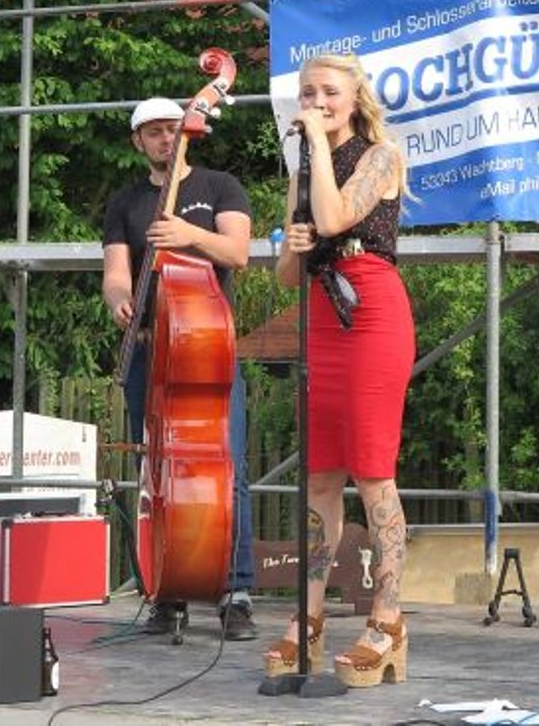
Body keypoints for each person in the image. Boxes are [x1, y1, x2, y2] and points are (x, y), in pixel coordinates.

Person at [267, 54, 415, 688]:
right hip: (322, 313)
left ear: (354, 99)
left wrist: (318, 152)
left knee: (373, 471)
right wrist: (290, 252)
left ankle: (388, 621)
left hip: (373, 310)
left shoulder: (381, 156)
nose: (315, 101)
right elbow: (288, 270)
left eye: (328, 92)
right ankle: (311, 613)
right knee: (320, 476)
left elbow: (334, 220)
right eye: (306, 92)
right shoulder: (304, 169)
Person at [102, 97, 257, 641]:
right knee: (156, 476)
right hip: (150, 351)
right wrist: (119, 301)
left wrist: (189, 236)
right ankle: (167, 590)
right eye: (154, 133)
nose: (166, 139)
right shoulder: (125, 202)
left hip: (207, 353)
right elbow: (116, 274)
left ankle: (235, 591)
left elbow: (238, 252)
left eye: (172, 129)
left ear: (187, 132)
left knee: (226, 468)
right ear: (138, 142)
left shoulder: (219, 187)